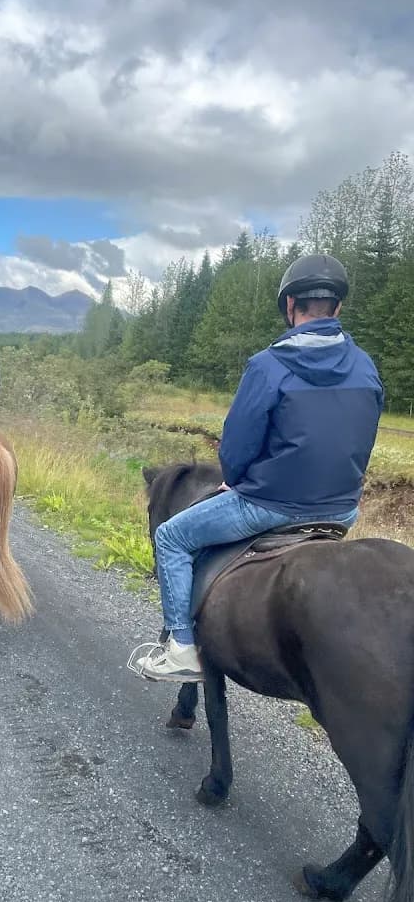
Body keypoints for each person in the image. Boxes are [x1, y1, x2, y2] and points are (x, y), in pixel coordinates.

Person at [130, 253, 384, 683]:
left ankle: (180, 648)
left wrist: (239, 480)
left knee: (172, 537)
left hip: (273, 504)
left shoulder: (269, 365)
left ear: (289, 306)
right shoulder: (365, 365)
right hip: (341, 510)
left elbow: (236, 448)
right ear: (338, 307)